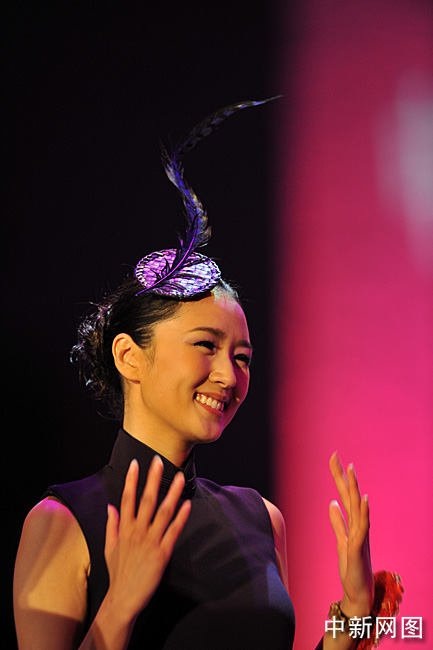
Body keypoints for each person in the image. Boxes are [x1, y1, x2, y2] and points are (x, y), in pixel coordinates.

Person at [13, 101, 397, 650]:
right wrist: (119, 605)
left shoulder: (260, 518)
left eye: (242, 357)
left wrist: (357, 611)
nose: (229, 375)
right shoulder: (63, 522)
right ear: (129, 357)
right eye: (205, 346)